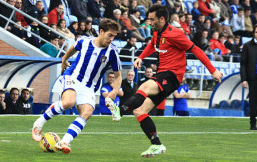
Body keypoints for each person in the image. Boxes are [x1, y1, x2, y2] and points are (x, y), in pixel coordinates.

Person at [105, 4, 223, 158]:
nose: (149, 22)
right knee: (139, 111)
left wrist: (212, 70)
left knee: (145, 86)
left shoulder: (176, 34)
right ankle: (156, 144)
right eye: (148, 19)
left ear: (162, 19)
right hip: (163, 74)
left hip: (172, 75)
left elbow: (196, 50)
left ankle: (120, 111)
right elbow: (152, 45)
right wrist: (141, 57)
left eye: (152, 19)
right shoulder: (156, 32)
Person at [32, 19, 122, 154]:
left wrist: (115, 90)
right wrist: (64, 60)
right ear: (101, 31)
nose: (112, 39)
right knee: (68, 102)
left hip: (89, 87)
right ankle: (38, 124)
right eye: (110, 35)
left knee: (87, 112)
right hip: (72, 77)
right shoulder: (85, 41)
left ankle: (64, 142)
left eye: (114, 36)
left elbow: (118, 75)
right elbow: (72, 48)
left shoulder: (112, 52)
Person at [240, 24, 257, 130]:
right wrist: (244, 79)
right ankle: (253, 124)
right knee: (253, 101)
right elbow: (243, 64)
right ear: (253, 33)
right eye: (256, 32)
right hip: (252, 78)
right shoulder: (247, 46)